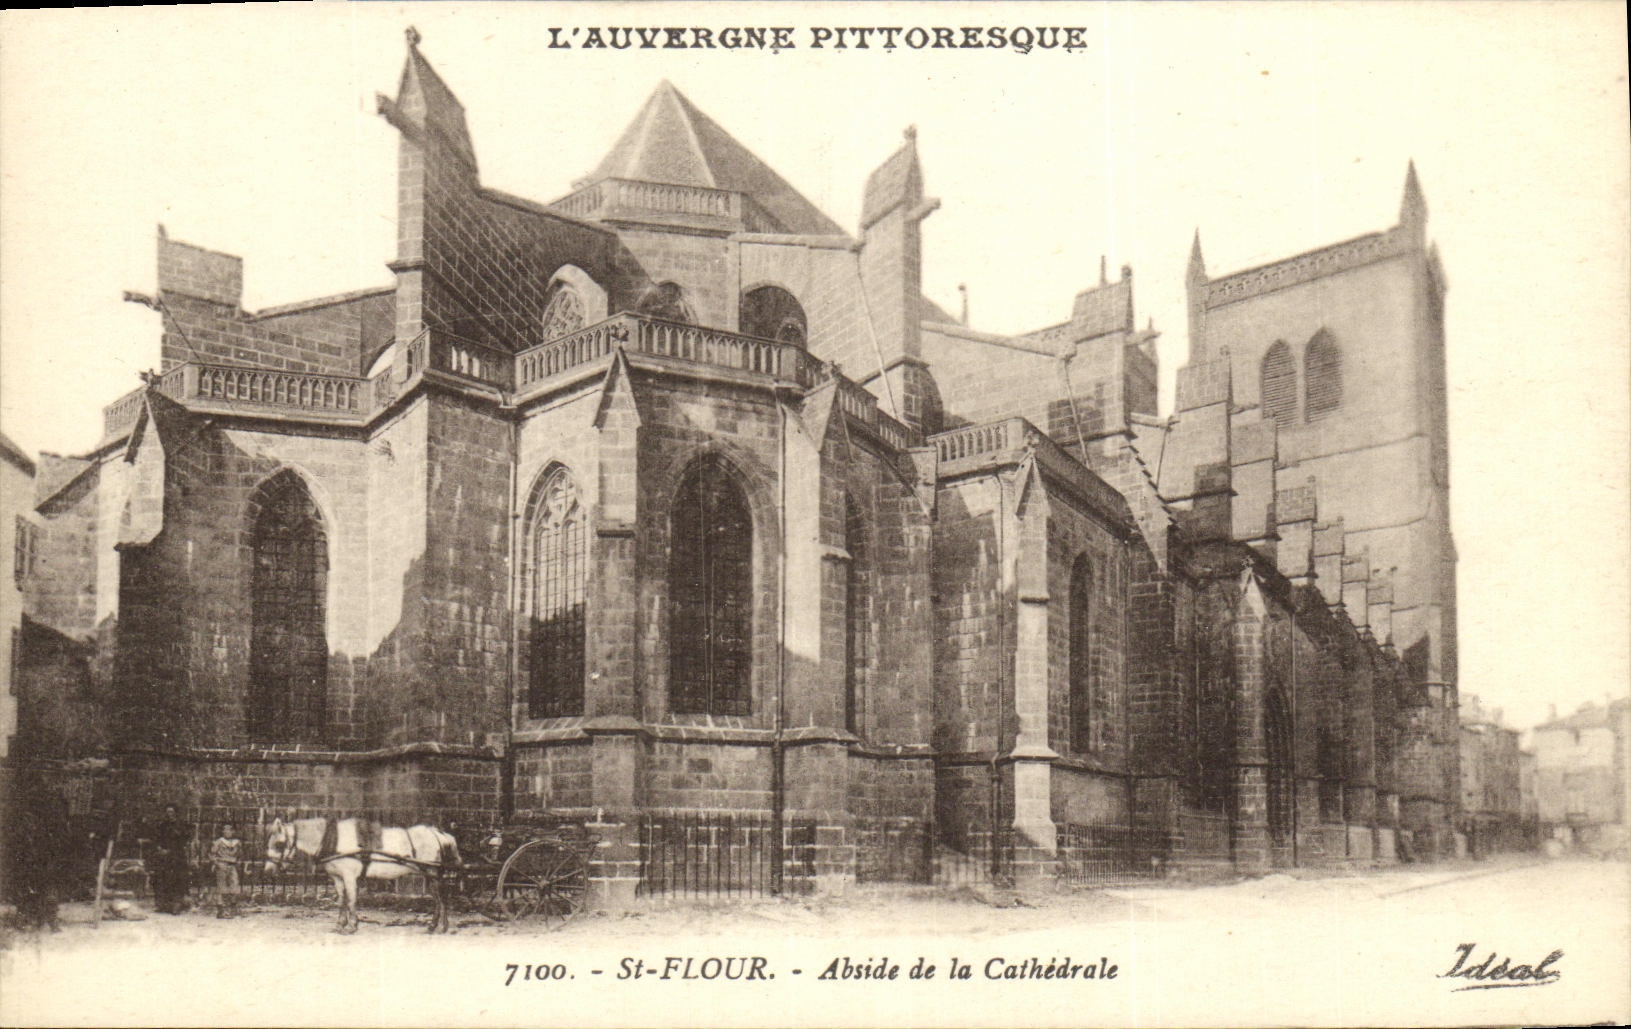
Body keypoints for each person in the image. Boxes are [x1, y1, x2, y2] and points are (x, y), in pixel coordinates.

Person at [149, 804, 193, 914]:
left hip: (177, 856)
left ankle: (176, 905)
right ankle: (163, 905)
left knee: (177, 879)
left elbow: (183, 840)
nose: (170, 814)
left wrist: (172, 850)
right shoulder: (162, 825)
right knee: (162, 878)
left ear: (176, 813)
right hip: (164, 856)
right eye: (168, 812)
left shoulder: (182, 825)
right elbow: (157, 838)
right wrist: (160, 849)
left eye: (172, 812)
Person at [208, 822, 242, 918]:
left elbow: (240, 854)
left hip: (233, 865)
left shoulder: (237, 842)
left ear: (233, 831)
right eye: (225, 830)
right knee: (222, 887)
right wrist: (216, 863)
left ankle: (232, 908)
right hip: (222, 864)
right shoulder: (219, 842)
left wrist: (238, 862)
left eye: (230, 830)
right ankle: (221, 910)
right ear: (222, 831)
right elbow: (212, 854)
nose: (227, 832)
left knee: (234, 885)